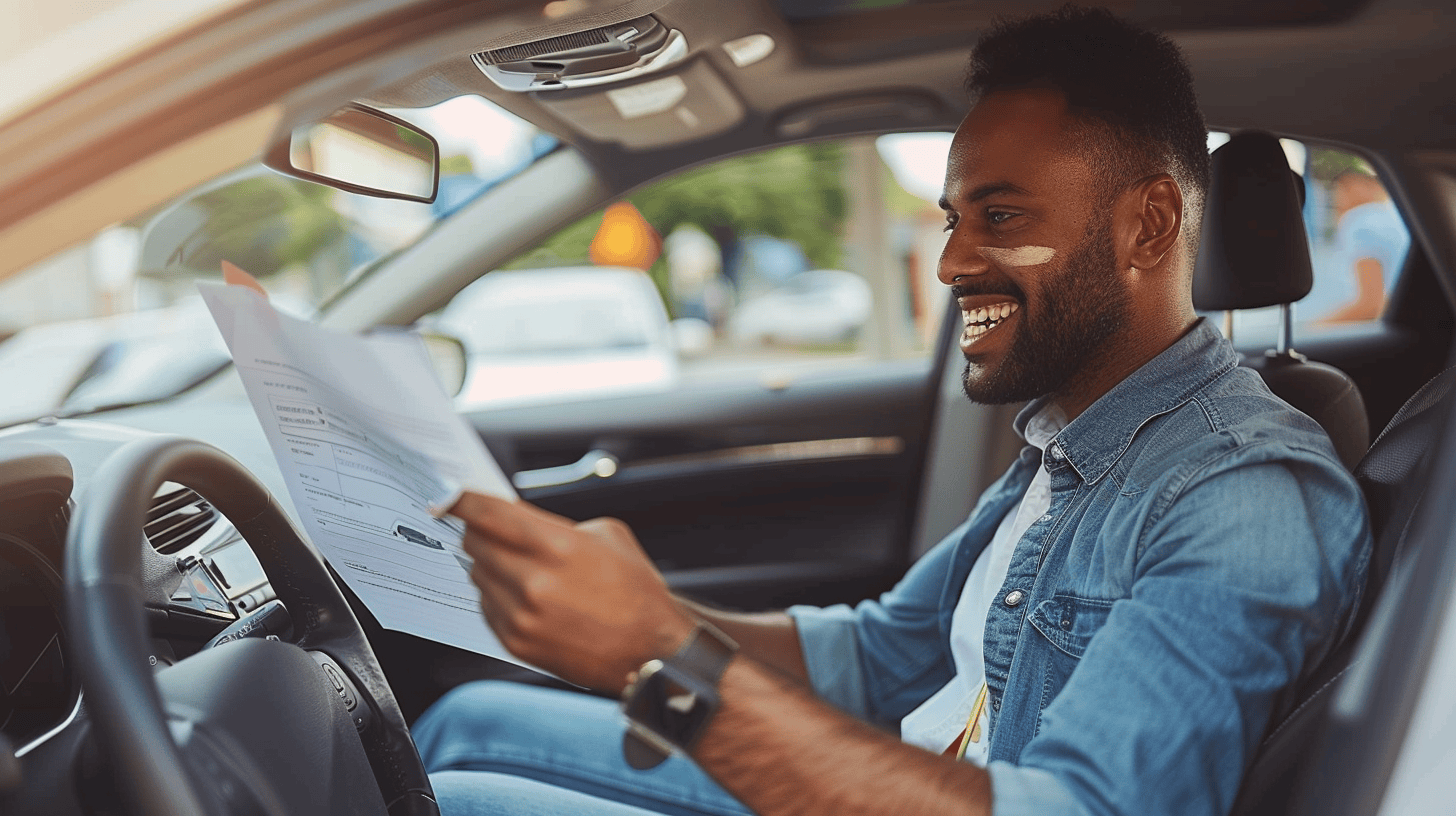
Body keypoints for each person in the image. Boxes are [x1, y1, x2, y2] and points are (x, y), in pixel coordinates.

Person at [411, 7, 1371, 816]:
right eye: (955, 219)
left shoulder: (1242, 495)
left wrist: (665, 662)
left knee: (452, 797)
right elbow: (878, 659)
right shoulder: (1072, 445)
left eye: (1001, 217)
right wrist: (648, 612)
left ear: (1149, 225)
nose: (952, 262)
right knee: (467, 723)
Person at [1304, 168, 1409, 323]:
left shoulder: (1358, 220)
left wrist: (1311, 330)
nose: (1338, 197)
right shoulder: (1399, 215)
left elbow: (1370, 305)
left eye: (1344, 188)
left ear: (1369, 185)